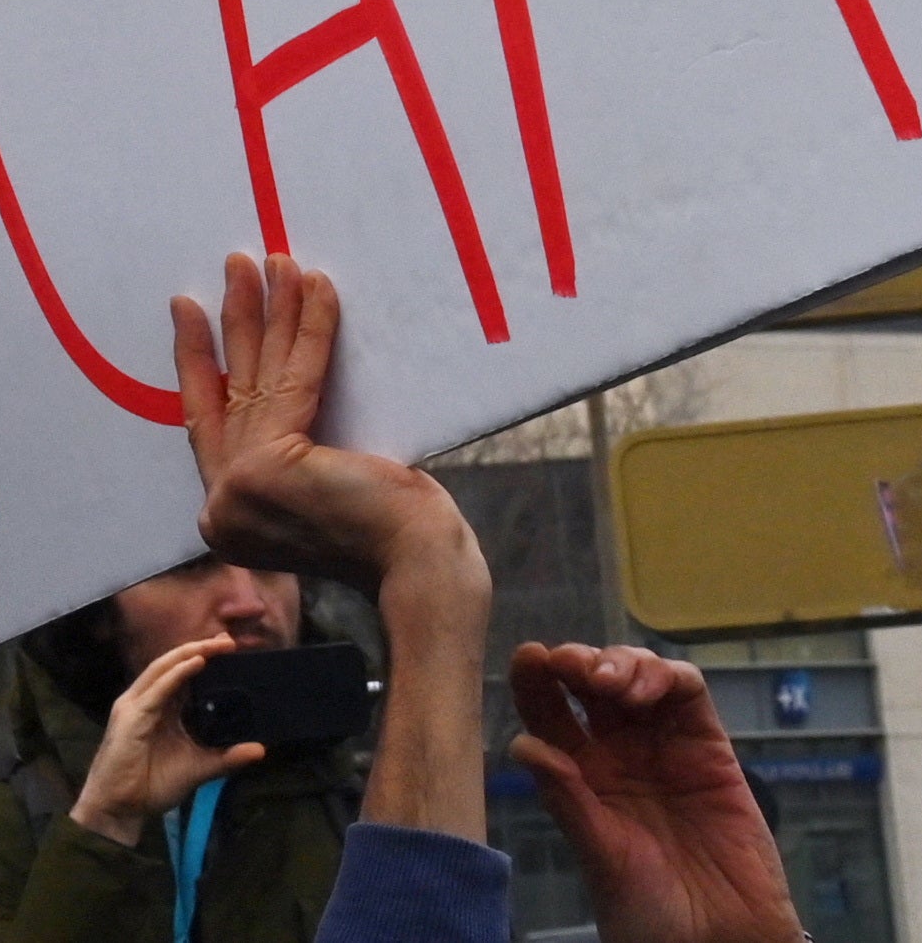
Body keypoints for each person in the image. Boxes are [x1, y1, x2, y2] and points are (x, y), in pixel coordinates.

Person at [170, 248, 803, 943]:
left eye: (262, 567)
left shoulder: (331, 786)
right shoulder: (65, 824)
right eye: (191, 571)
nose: (243, 601)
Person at [0, 548, 357, 943]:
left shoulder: (375, 809)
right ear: (99, 613)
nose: (247, 601)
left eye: (267, 560)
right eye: (190, 566)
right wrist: (105, 826)